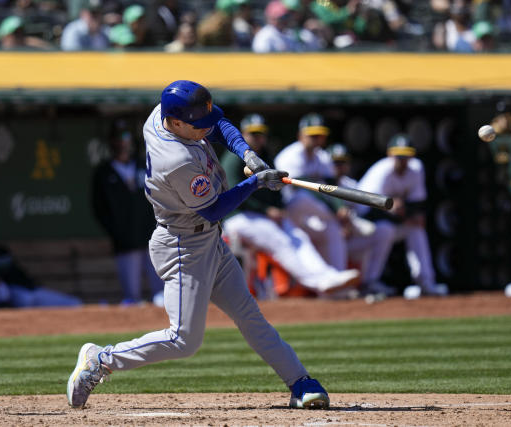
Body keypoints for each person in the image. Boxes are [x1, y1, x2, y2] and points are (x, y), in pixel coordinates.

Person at [67, 80, 330, 410]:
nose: (205, 130)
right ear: (176, 123)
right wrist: (255, 183)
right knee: (184, 340)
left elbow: (218, 122)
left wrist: (247, 153)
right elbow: (213, 207)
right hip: (182, 246)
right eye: (197, 125)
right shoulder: (175, 161)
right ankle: (100, 359)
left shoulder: (163, 114)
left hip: (208, 239)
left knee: (250, 317)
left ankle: (299, 380)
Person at [221, 114, 361, 297]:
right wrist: (267, 211)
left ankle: (329, 276)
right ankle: (318, 283)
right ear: (243, 135)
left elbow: (277, 190)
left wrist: (278, 210)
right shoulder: (233, 158)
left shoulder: (265, 157)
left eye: (260, 134)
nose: (257, 138)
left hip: (265, 216)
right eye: (252, 133)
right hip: (239, 216)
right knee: (281, 240)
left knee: (298, 236)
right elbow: (234, 194)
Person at [356, 134, 449, 297]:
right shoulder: (381, 172)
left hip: (391, 221)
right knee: (385, 230)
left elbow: (417, 204)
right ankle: (370, 282)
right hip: (362, 226)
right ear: (390, 155)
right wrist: (393, 209)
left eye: (406, 156)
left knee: (416, 228)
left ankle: (426, 282)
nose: (402, 160)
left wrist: (405, 213)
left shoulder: (416, 168)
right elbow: (367, 210)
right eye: (398, 156)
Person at [91, 121, 164, 306]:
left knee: (162, 295)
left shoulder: (143, 164)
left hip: (151, 238)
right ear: (110, 141)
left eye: (125, 137)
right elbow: (99, 208)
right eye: (117, 138)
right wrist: (116, 232)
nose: (122, 142)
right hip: (125, 243)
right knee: (132, 297)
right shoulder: (104, 172)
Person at [274, 113, 354, 277]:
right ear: (300, 136)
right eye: (312, 135)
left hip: (311, 214)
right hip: (288, 209)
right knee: (303, 197)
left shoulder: (322, 157)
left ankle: (338, 278)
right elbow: (303, 187)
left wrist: (341, 208)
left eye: (319, 135)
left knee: (332, 229)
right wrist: (336, 211)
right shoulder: (290, 155)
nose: (316, 139)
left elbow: (332, 186)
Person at [0, 207, 82, 308]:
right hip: (10, 291)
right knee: (25, 299)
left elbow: (17, 272)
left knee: (74, 303)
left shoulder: (1, 250)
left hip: (29, 288)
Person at [328, 143, 398, 296]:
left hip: (350, 239)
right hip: (324, 243)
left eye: (342, 162)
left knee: (384, 230)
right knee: (333, 234)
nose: (339, 166)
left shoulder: (351, 185)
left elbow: (363, 214)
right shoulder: (319, 183)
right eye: (335, 162)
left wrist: (351, 225)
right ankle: (338, 287)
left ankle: (369, 283)